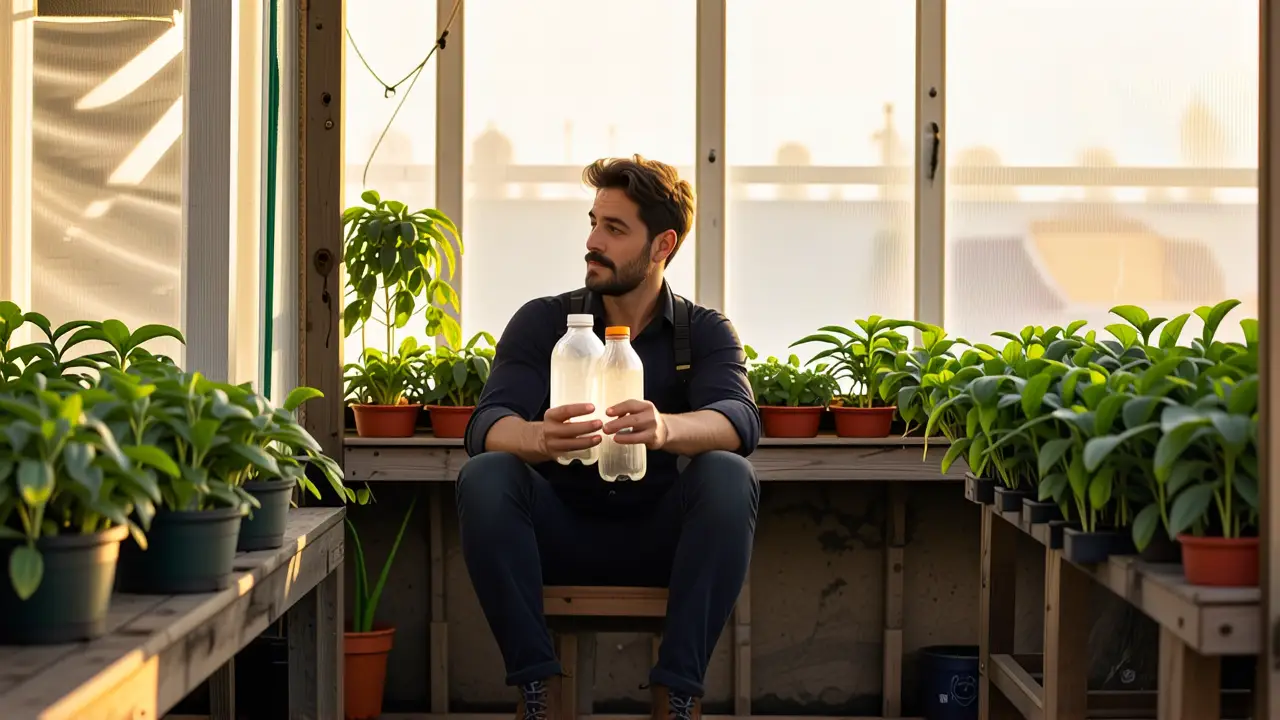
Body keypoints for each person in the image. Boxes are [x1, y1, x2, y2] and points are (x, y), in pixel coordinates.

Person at [457, 155, 762, 720]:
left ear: (662, 245)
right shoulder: (543, 323)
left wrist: (666, 428)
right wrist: (537, 437)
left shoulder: (704, 332)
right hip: (556, 538)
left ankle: (679, 698)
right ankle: (536, 696)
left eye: (614, 229)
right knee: (485, 476)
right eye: (593, 222)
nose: (593, 241)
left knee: (728, 474)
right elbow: (486, 426)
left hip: (664, 545)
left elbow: (739, 421)